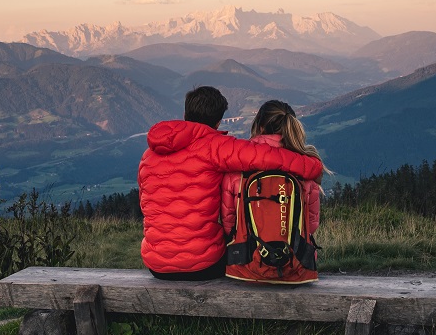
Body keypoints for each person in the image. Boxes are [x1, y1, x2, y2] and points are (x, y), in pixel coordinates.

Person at [139, 86, 324, 280]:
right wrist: (312, 166)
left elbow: (145, 204)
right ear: (218, 122)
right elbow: (267, 156)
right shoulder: (216, 146)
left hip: (157, 266)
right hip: (205, 266)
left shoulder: (148, 156)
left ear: (185, 115)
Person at [220, 100, 327, 283]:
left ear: (260, 126)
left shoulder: (237, 172)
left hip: (245, 268)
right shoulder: (305, 170)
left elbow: (229, 225)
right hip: (296, 268)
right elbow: (311, 225)